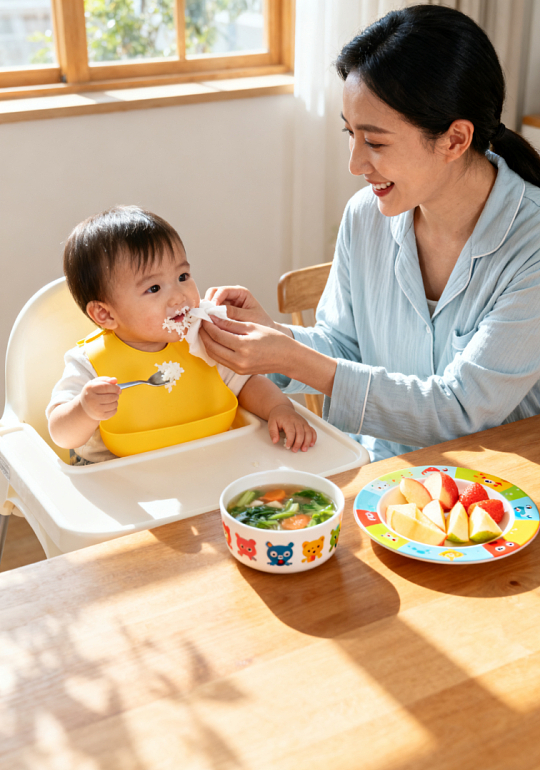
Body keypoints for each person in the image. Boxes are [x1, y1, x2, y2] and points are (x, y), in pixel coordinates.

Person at [197, 4, 540, 462]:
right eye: (351, 134)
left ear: (455, 140)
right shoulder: (366, 216)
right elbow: (344, 347)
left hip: (500, 485)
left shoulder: (531, 245)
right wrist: (273, 338)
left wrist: (292, 358)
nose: (355, 164)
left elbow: (460, 409)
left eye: (375, 142)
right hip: (384, 474)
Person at [47, 206, 316, 463]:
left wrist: (279, 409)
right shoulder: (89, 363)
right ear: (105, 314)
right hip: (119, 481)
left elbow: (248, 384)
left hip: (206, 463)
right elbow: (61, 434)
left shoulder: (203, 339)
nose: (179, 296)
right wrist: (85, 409)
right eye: (154, 288)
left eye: (183, 276)